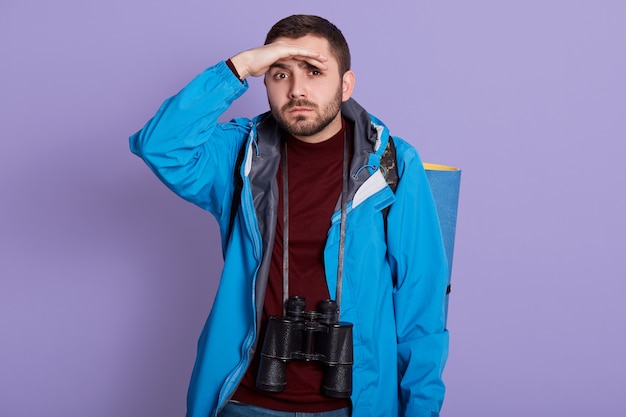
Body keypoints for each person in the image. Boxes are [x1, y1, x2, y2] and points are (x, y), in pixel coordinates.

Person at [130, 14, 449, 417]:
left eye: (314, 71)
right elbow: (159, 146)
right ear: (264, 80)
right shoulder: (239, 155)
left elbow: (422, 300)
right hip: (245, 399)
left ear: (346, 84)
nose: (297, 89)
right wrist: (239, 67)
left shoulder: (391, 163)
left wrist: (422, 410)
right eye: (280, 74)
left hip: (353, 403)